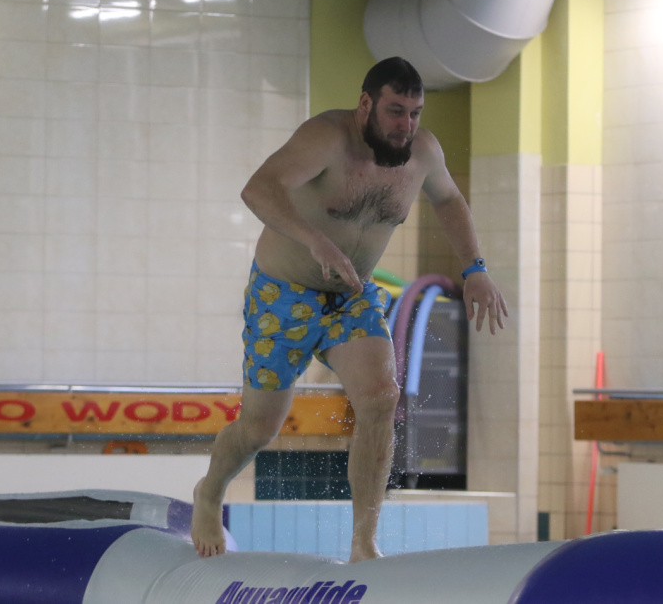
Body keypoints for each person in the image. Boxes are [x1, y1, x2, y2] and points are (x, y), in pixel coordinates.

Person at [191, 56, 508, 562]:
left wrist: (475, 268)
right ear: (366, 104)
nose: (406, 126)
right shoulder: (327, 139)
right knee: (259, 428)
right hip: (283, 294)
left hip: (352, 297)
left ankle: (363, 540)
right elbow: (258, 188)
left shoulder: (423, 153)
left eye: (415, 114)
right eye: (395, 111)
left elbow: (448, 200)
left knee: (382, 396)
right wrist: (315, 240)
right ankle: (209, 492)